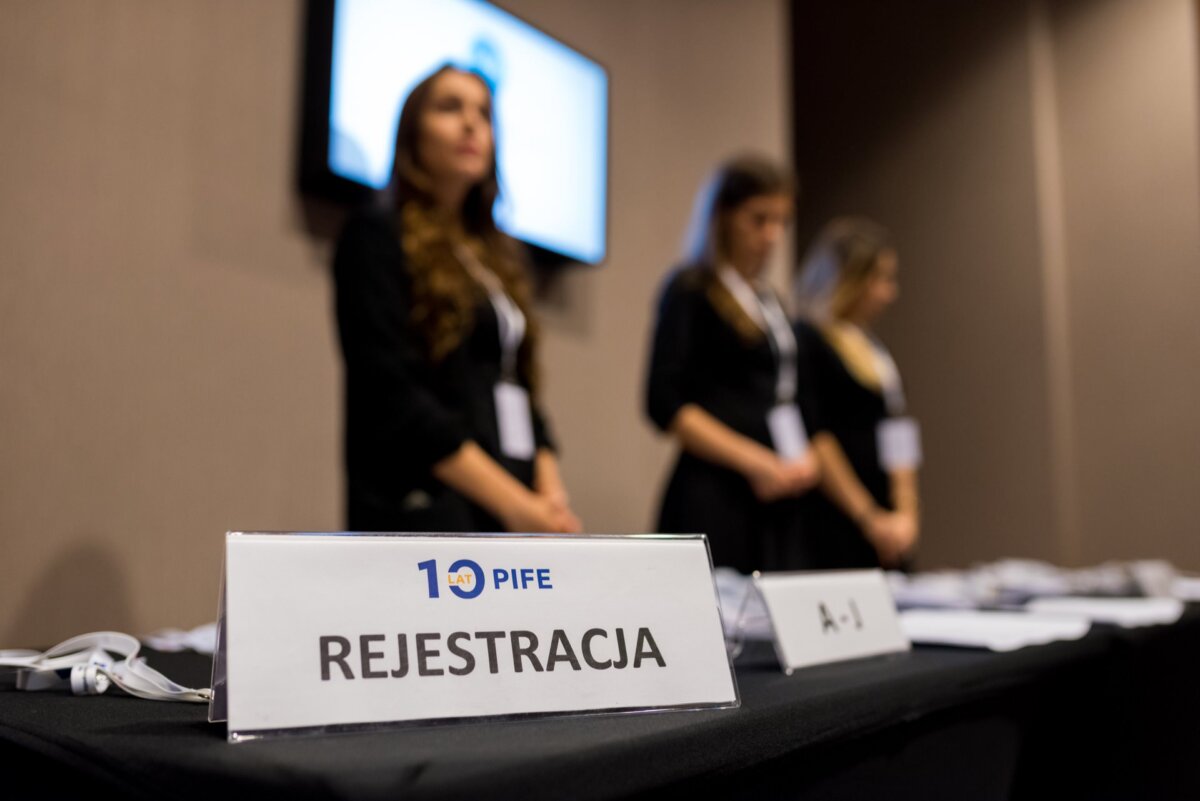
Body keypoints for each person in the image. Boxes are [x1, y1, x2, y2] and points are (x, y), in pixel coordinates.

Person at [332, 64, 580, 534]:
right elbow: (392, 397)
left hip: (510, 503)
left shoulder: (497, 256)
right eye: (450, 108)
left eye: (483, 113)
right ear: (413, 134)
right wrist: (515, 505)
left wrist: (549, 495)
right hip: (426, 509)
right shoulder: (377, 234)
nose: (471, 124)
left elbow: (519, 388)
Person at [645, 155, 824, 573]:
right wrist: (755, 461)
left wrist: (804, 459)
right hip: (716, 493)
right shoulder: (692, 290)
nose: (771, 235)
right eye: (758, 220)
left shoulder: (771, 302)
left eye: (781, 222)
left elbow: (790, 398)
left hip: (777, 497)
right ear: (722, 217)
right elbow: (664, 403)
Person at [794, 217, 921, 568]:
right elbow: (816, 435)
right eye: (879, 278)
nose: (888, 292)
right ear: (847, 278)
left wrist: (905, 512)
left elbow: (897, 429)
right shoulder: (807, 339)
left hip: (885, 524)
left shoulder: (875, 349)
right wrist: (868, 517)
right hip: (836, 523)